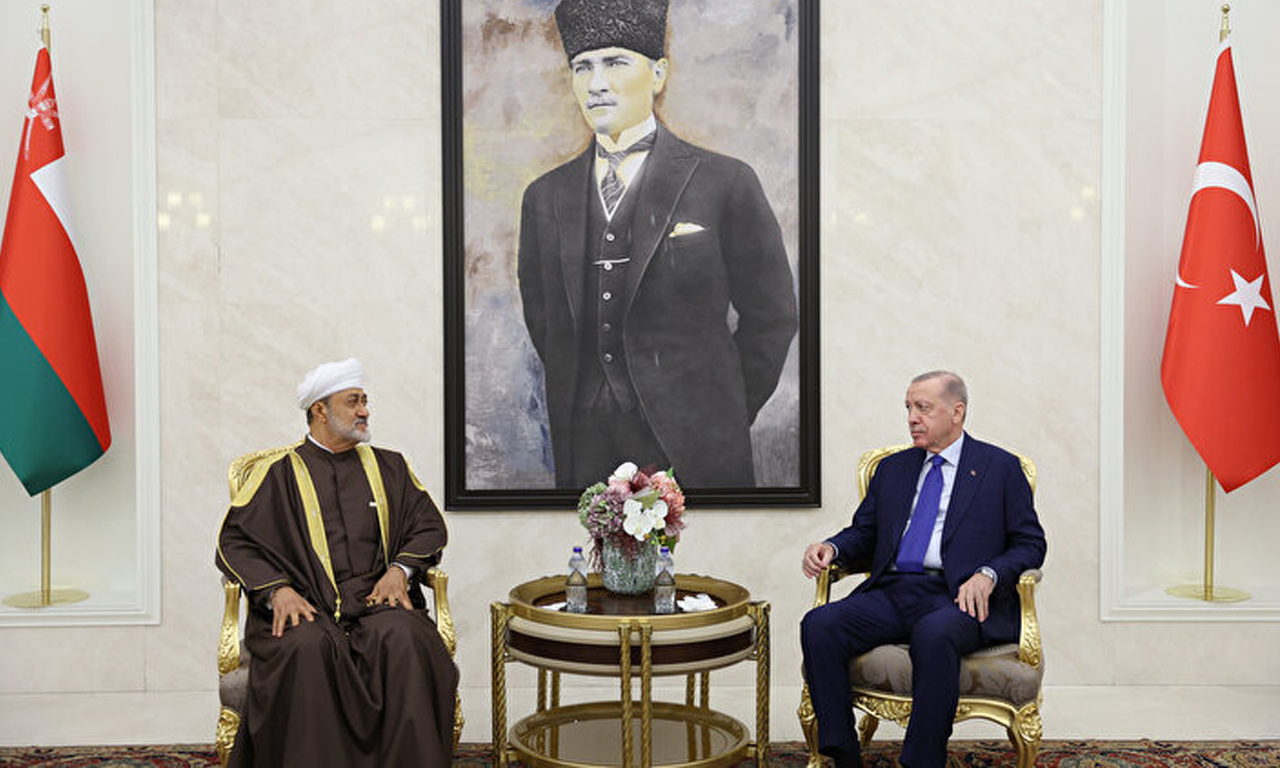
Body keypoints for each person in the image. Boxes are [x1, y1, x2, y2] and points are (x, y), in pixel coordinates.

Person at [517, 0, 798, 489]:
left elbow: (772, 316)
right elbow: (545, 320)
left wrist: (719, 412)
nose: (596, 83)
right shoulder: (545, 197)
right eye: (582, 67)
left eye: (615, 63)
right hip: (586, 448)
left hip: (697, 447)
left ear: (659, 74)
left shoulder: (726, 182)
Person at [216, 358, 457, 767]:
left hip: (377, 603)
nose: (364, 411)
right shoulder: (275, 474)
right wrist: (277, 590)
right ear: (320, 411)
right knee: (305, 648)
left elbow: (428, 527)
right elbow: (235, 542)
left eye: (364, 401)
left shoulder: (391, 467)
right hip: (305, 605)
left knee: (408, 640)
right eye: (353, 402)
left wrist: (399, 571)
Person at [799, 371, 1047, 768]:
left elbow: (1030, 543)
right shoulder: (893, 469)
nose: (912, 418)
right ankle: (843, 753)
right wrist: (832, 547)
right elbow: (865, 532)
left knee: (934, 633)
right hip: (893, 591)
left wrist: (988, 574)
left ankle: (921, 761)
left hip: (957, 597)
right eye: (909, 408)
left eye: (923, 408)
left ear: (957, 412)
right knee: (819, 624)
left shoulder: (1000, 468)